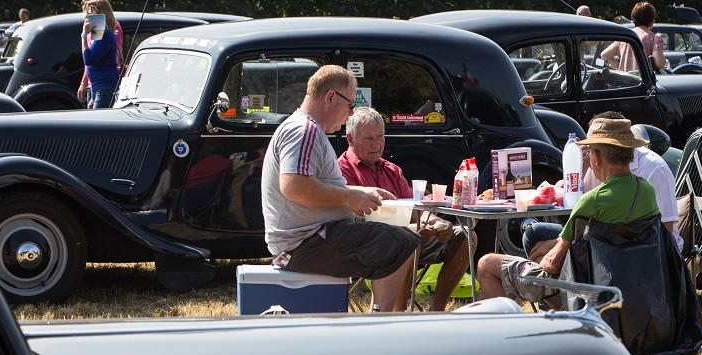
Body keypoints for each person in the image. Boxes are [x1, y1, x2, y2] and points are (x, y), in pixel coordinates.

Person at [262, 65, 418, 313]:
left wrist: (362, 191)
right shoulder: (305, 130)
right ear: (330, 97)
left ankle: (380, 317)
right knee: (399, 241)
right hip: (303, 243)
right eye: (350, 105)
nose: (350, 113)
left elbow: (312, 183)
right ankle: (379, 323)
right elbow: (294, 185)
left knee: (399, 238)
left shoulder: (305, 128)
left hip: (304, 240)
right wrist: (349, 196)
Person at [478, 115, 658, 306]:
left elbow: (553, 264)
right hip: (631, 282)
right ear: (630, 153)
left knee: (487, 264)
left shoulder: (592, 200)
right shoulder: (646, 190)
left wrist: (541, 260)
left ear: (596, 157)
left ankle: (510, 332)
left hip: (584, 288)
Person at [337, 107, 474, 313]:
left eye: (380, 137)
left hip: (408, 237)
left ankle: (436, 311)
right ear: (350, 139)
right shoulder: (342, 170)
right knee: (408, 237)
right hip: (366, 245)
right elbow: (353, 218)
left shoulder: (392, 170)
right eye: (368, 139)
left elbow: (414, 207)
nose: (376, 144)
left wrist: (435, 222)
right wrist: (413, 228)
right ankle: (399, 314)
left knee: (465, 236)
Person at [523, 113, 681, 259]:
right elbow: (572, 202)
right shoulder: (602, 168)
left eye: (590, 148)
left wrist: (557, 246)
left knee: (537, 255)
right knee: (534, 233)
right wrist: (581, 170)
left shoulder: (653, 169)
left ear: (598, 154)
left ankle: (555, 287)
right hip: (601, 242)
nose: (586, 151)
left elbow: (664, 230)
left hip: (636, 252)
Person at [77, 0, 125, 105]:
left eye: (89, 13)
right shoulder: (98, 34)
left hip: (105, 86)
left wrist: (83, 35)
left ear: (99, 14)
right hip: (96, 85)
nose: (86, 17)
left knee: (98, 120)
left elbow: (88, 59)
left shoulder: (105, 35)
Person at [605, 3, 665, 72]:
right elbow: (659, 63)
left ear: (634, 18)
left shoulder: (626, 36)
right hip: (641, 81)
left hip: (624, 79)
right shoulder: (654, 38)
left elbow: (605, 55)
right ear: (651, 19)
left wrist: (618, 66)